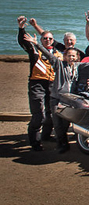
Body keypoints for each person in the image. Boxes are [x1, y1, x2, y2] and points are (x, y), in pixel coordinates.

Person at [26, 32, 89, 153]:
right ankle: (62, 144)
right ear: (65, 56)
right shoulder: (59, 64)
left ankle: (63, 141)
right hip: (57, 98)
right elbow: (48, 55)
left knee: (65, 123)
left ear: (77, 57)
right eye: (69, 56)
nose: (71, 58)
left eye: (74, 56)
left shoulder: (78, 66)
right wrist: (37, 44)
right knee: (57, 123)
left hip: (70, 99)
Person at [17, 16, 59, 151]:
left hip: (52, 85)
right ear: (40, 40)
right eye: (45, 38)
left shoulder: (57, 52)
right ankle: (35, 142)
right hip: (37, 84)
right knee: (38, 114)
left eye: (50, 39)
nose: (47, 40)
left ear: (53, 41)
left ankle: (46, 136)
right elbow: (23, 41)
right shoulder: (34, 50)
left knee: (52, 113)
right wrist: (21, 28)